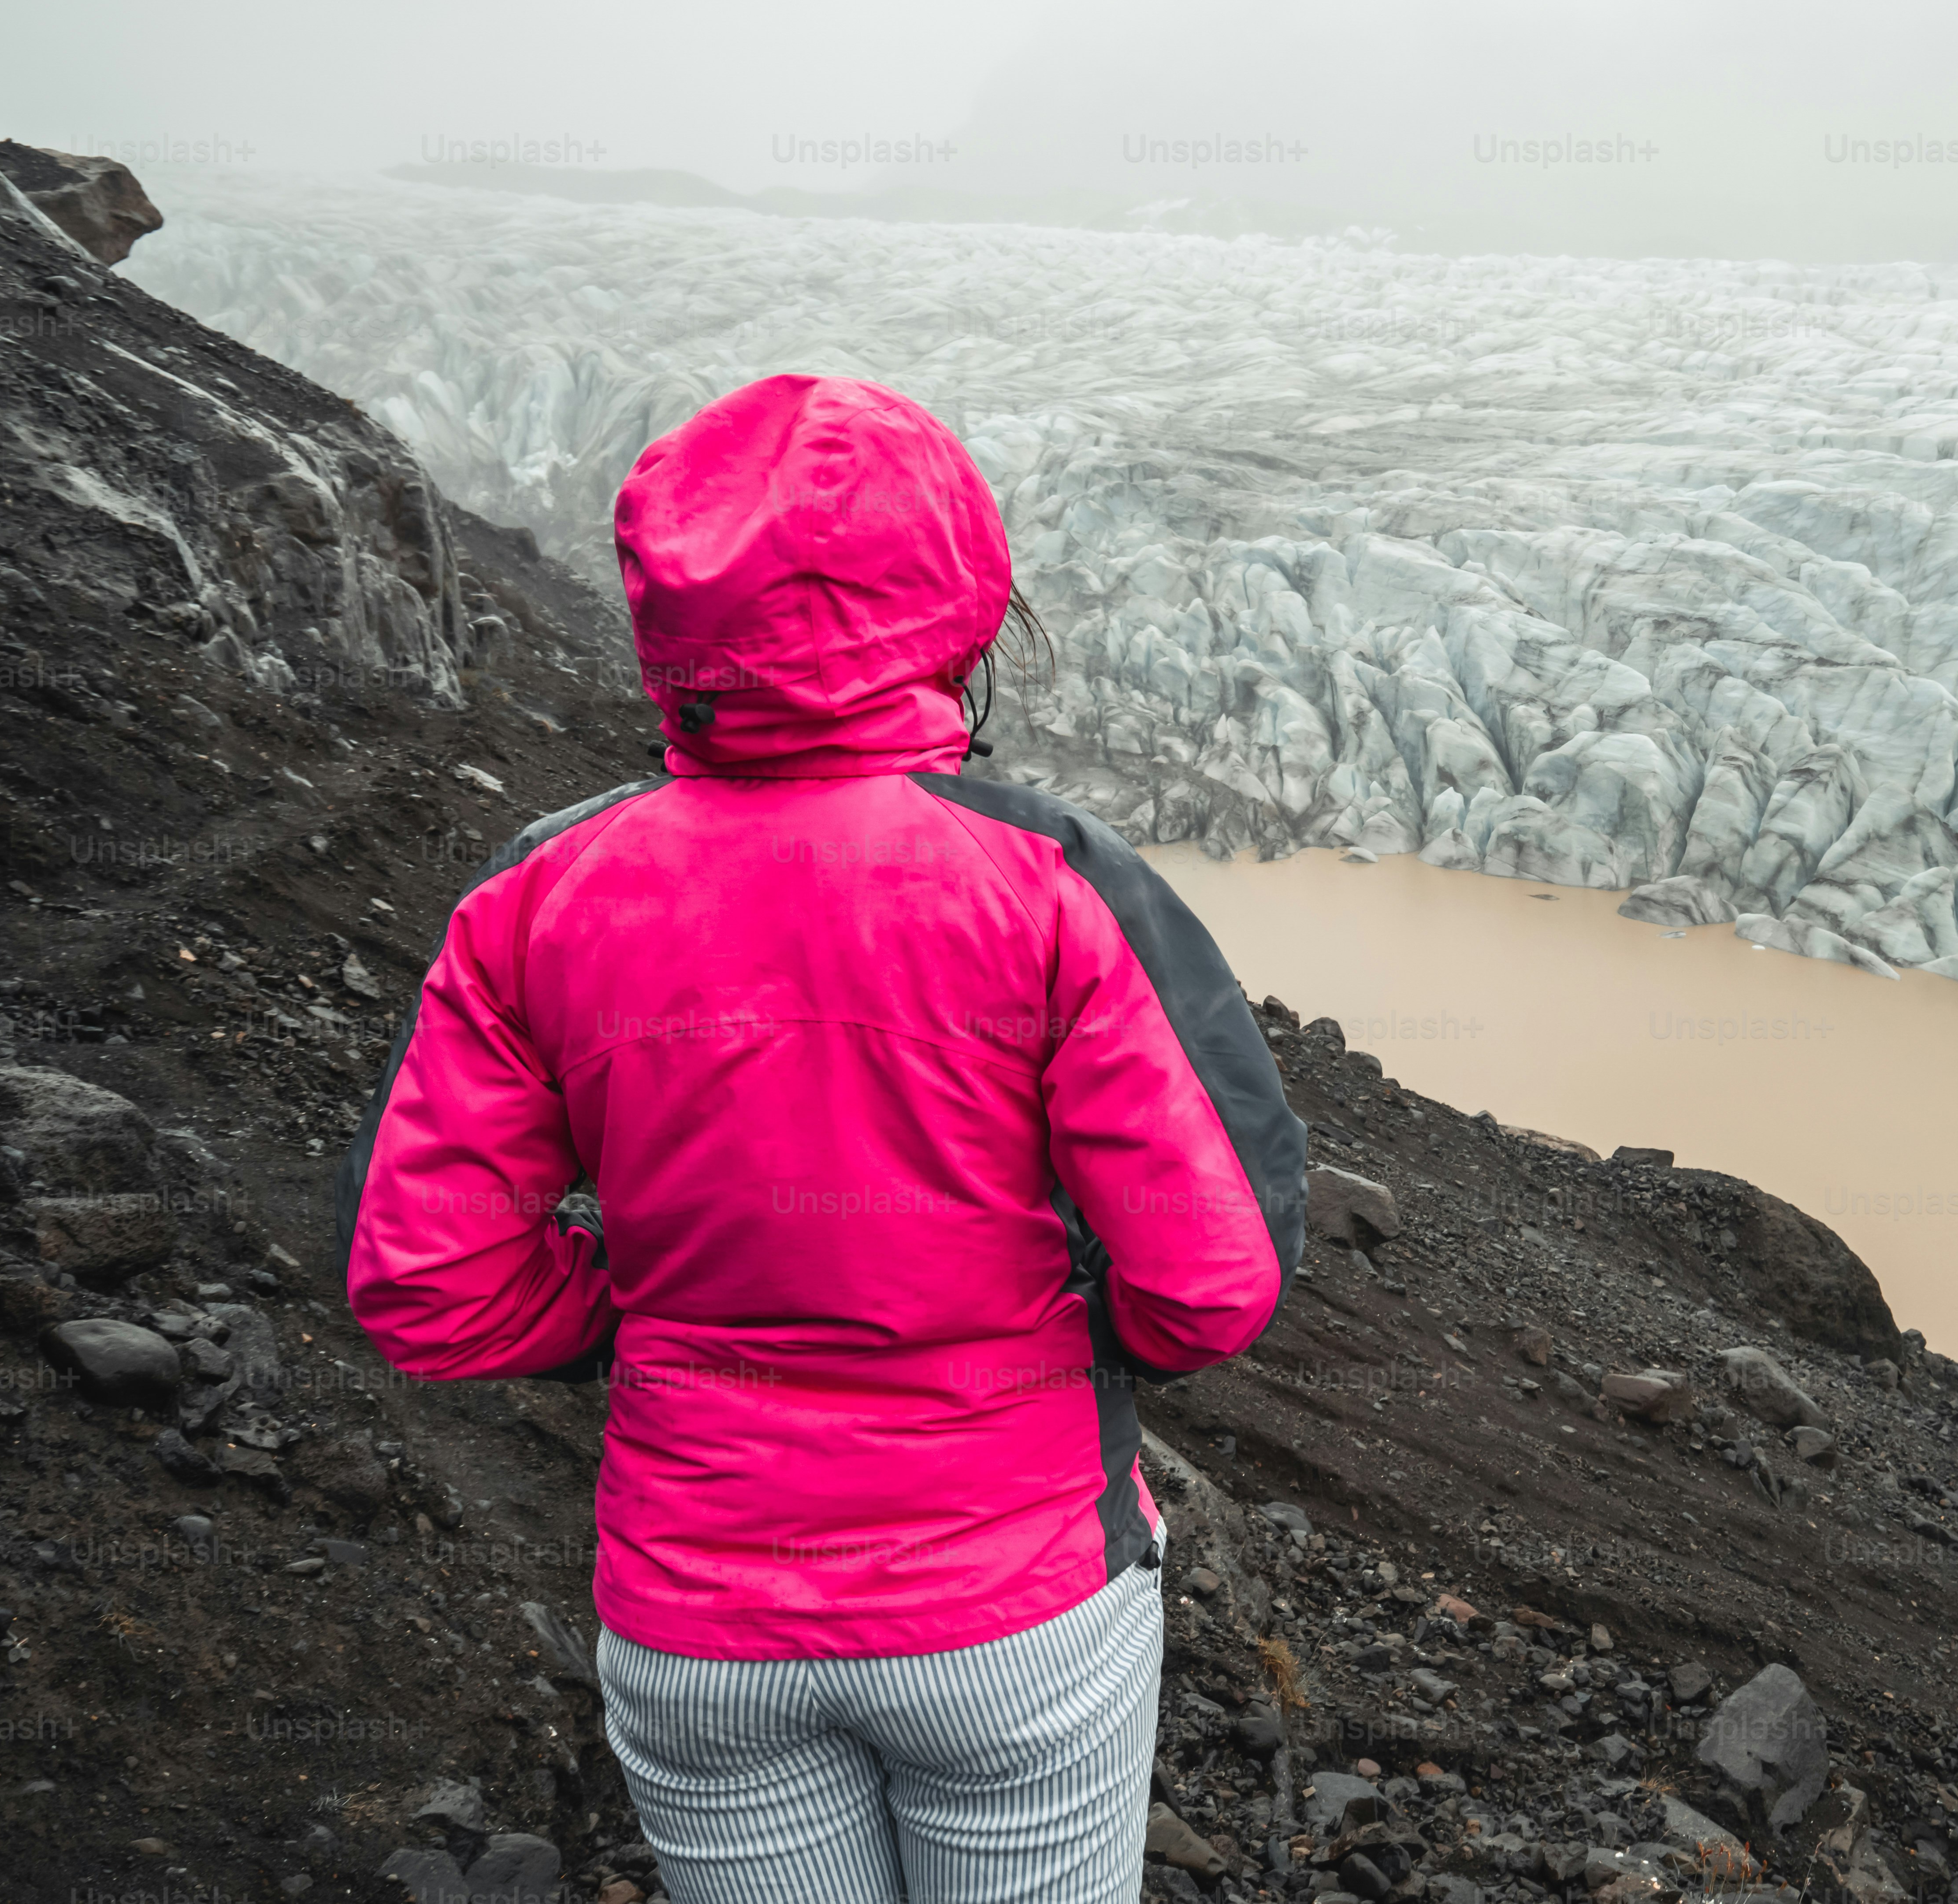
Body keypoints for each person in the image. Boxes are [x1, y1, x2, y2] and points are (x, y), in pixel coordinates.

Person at [336, 372, 1306, 1903]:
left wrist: (639, 1304)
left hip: (697, 1624)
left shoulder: (540, 893)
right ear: (951, 599)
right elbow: (1214, 1279)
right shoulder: (1048, 881)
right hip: (1011, 1611)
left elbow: (428, 1287)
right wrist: (1064, 1327)